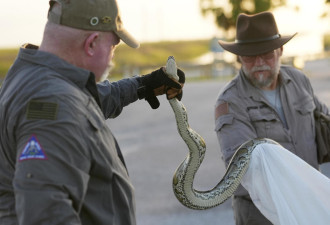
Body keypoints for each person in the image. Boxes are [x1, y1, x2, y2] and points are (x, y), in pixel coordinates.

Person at [0, 0, 184, 224]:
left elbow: (88, 100)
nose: (112, 58)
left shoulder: (37, 78)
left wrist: (144, 85)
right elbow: (46, 216)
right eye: (114, 47)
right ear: (92, 43)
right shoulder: (53, 107)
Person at [214, 11, 329, 225]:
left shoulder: (299, 80)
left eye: (266, 53)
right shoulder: (230, 102)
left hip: (308, 206)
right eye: (249, 55)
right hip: (262, 215)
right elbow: (245, 169)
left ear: (280, 50)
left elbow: (325, 123)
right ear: (239, 57)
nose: (259, 62)